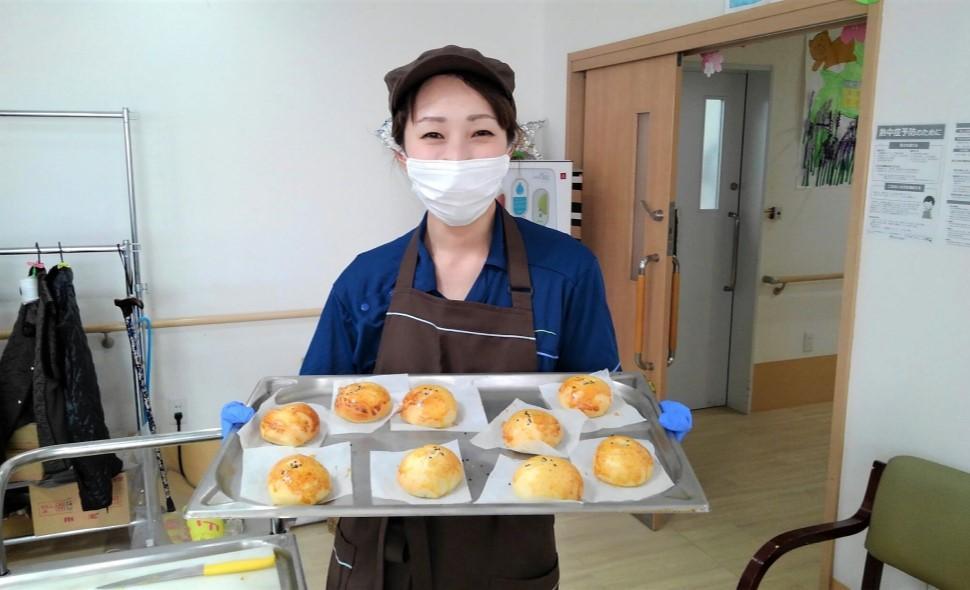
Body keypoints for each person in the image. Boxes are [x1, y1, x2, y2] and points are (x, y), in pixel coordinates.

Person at [301, 45, 619, 590]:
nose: (457, 156)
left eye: (480, 132)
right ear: (402, 153)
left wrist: (639, 426)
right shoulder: (366, 279)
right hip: (384, 537)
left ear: (510, 146)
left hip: (510, 534)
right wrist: (266, 431)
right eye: (432, 134)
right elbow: (318, 406)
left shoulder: (567, 271)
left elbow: (594, 402)